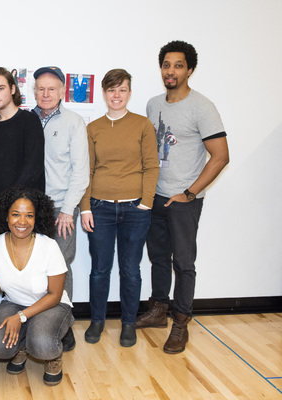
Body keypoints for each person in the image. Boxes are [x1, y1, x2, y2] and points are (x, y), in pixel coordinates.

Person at [137, 40, 229, 354]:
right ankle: (159, 310)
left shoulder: (202, 107)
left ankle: (180, 322)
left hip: (184, 201)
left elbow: (220, 156)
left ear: (190, 69)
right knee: (158, 258)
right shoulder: (153, 104)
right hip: (156, 197)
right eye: (166, 65)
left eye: (178, 65)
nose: (171, 71)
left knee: (184, 263)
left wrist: (189, 193)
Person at [0, 187, 74, 387]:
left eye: (29, 216)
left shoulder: (48, 246)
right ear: (6, 216)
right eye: (16, 215)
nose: (22, 222)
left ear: (36, 218)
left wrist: (21, 317)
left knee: (42, 344)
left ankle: (52, 356)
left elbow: (55, 295)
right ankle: (22, 343)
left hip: (51, 305)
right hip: (14, 303)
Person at [80, 69, 159, 347]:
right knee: (100, 269)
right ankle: (97, 320)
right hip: (99, 209)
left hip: (135, 210)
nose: (116, 95)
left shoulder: (142, 125)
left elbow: (151, 166)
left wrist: (146, 202)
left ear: (129, 93)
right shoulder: (93, 129)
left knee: (130, 269)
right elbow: (85, 170)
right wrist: (85, 207)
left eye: (122, 90)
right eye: (111, 90)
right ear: (103, 93)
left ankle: (128, 323)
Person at [32, 66, 89, 350]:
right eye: (40, 88)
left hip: (60, 210)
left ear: (62, 92)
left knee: (60, 268)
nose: (45, 93)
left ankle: (62, 325)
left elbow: (81, 171)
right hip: (29, 210)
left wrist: (68, 209)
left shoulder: (74, 122)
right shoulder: (25, 120)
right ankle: (35, 323)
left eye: (51, 88)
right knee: (31, 268)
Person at [0, 67, 45, 236]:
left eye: (0, 88)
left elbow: (32, 166)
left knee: (28, 261)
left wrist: (4, 199)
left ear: (13, 89)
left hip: (25, 209)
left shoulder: (30, 121)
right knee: (1, 261)